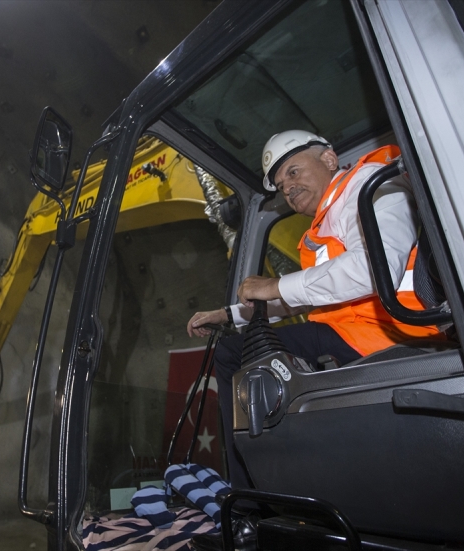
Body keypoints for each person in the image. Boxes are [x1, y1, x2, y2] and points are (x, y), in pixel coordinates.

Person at [186, 130, 442, 491]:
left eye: (293, 172)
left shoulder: (369, 184)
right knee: (249, 351)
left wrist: (273, 285)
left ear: (329, 160)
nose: (287, 188)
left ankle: (247, 491)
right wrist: (227, 315)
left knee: (234, 355)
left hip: (391, 335)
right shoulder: (326, 222)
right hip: (355, 333)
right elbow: (310, 295)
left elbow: (374, 268)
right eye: (280, 185)